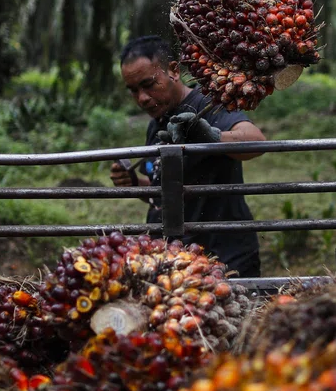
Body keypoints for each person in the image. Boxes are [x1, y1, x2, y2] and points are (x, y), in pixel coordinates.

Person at [109, 35, 266, 278]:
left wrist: (210, 136)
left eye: (149, 84)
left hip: (222, 256)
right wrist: (133, 184)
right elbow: (164, 191)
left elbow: (256, 142)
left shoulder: (208, 104)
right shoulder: (157, 122)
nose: (142, 98)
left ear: (173, 70)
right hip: (177, 260)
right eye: (133, 90)